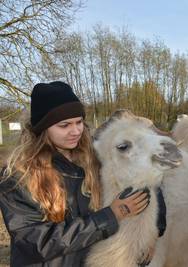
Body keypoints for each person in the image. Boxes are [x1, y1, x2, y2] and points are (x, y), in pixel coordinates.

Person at [0, 81, 150, 267]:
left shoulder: (96, 159)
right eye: (64, 125)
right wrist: (110, 216)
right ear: (43, 128)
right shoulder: (17, 177)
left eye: (79, 122)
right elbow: (36, 242)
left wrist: (153, 232)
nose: (76, 131)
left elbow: (145, 180)